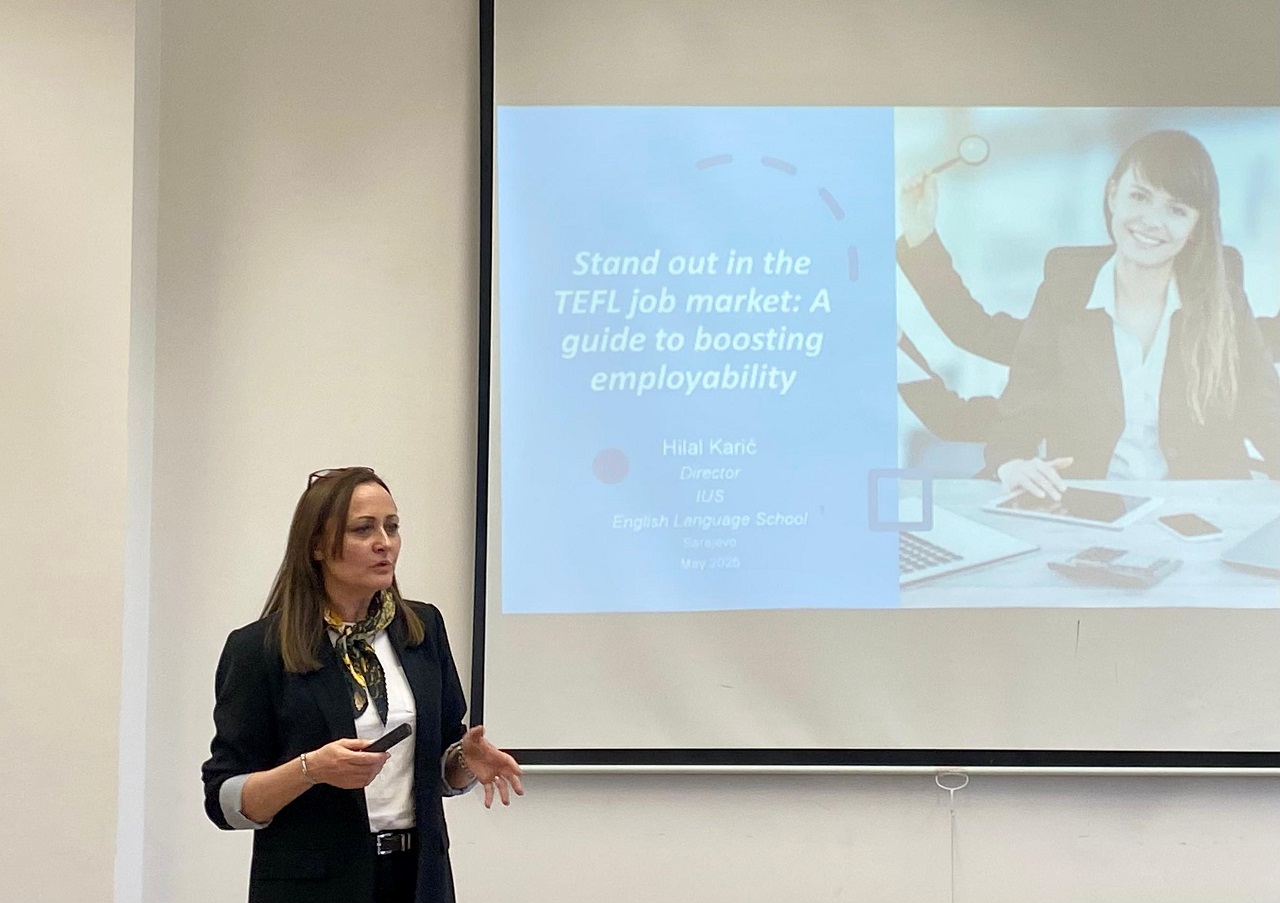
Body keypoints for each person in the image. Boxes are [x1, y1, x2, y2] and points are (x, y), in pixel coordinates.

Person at [202, 466, 522, 903]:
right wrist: (310, 770)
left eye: (392, 527)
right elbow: (225, 801)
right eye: (363, 529)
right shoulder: (260, 649)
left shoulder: (422, 629)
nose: (384, 542)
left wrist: (463, 760)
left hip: (418, 878)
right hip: (314, 888)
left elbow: (440, 770)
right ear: (317, 546)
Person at [898, 130, 1280, 496]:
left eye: (1176, 209)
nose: (1151, 221)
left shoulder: (1225, 308)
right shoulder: (1066, 298)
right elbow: (976, 333)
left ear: (1196, 225)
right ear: (1113, 195)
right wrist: (920, 236)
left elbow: (1268, 417)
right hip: (1093, 511)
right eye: (1139, 196)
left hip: (1205, 516)